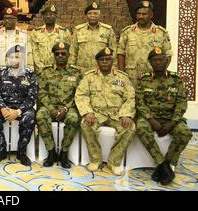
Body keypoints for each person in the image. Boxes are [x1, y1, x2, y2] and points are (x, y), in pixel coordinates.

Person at [135, 47, 192, 185]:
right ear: (150, 62)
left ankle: (167, 163)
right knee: (141, 127)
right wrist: (151, 119)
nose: (158, 62)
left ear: (167, 61)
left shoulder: (176, 80)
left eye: (161, 60)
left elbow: (181, 103)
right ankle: (162, 165)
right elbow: (139, 102)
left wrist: (173, 122)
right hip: (150, 118)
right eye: (155, 60)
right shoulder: (144, 79)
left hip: (171, 118)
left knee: (185, 133)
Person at [75, 47, 135, 175]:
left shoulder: (122, 77)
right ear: (97, 62)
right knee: (85, 124)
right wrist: (87, 112)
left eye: (108, 59)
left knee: (130, 127)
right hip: (97, 113)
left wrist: (126, 114)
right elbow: (81, 95)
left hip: (116, 114)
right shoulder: (89, 77)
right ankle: (95, 160)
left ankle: (114, 162)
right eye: (102, 60)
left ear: (112, 61)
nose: (105, 62)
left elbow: (130, 97)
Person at [0, 45, 37, 166]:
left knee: (30, 117)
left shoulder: (30, 74)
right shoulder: (1, 73)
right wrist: (3, 108)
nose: (14, 59)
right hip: (5, 107)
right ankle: (1, 150)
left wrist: (18, 111)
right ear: (8, 59)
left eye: (17, 57)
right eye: (11, 57)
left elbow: (32, 97)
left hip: (22, 108)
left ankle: (21, 152)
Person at [36, 42, 82, 168]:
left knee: (73, 118)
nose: (60, 56)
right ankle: (51, 152)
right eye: (57, 54)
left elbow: (79, 94)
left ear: (68, 55)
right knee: (40, 116)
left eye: (63, 53)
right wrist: (51, 109)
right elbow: (42, 93)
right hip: (50, 106)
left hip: (69, 107)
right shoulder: (46, 72)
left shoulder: (76, 72)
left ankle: (64, 153)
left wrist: (66, 108)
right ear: (54, 56)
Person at [117, 0, 173, 87]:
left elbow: (168, 55)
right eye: (138, 14)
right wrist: (122, 75)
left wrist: (160, 74)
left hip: (152, 79)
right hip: (131, 79)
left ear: (151, 15)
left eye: (144, 14)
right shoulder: (127, 32)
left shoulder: (161, 33)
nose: (141, 16)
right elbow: (121, 54)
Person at [0, 7, 34, 81]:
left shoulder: (24, 35)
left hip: (19, 76)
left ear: (16, 20)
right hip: (0, 76)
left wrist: (29, 72)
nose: (8, 21)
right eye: (6, 18)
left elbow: (28, 55)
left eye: (11, 18)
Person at [70, 2, 117, 73]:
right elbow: (73, 52)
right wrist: (71, 69)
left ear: (99, 15)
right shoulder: (78, 30)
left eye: (95, 13)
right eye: (90, 13)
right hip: (81, 71)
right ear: (86, 16)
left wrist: (114, 68)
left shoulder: (108, 30)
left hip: (101, 71)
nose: (92, 15)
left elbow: (113, 51)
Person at [30, 5, 71, 75]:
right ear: (43, 17)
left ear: (56, 16)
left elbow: (69, 51)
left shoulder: (64, 32)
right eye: (46, 15)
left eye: (51, 14)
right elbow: (34, 52)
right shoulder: (35, 32)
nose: (48, 16)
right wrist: (41, 69)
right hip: (41, 72)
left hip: (60, 71)